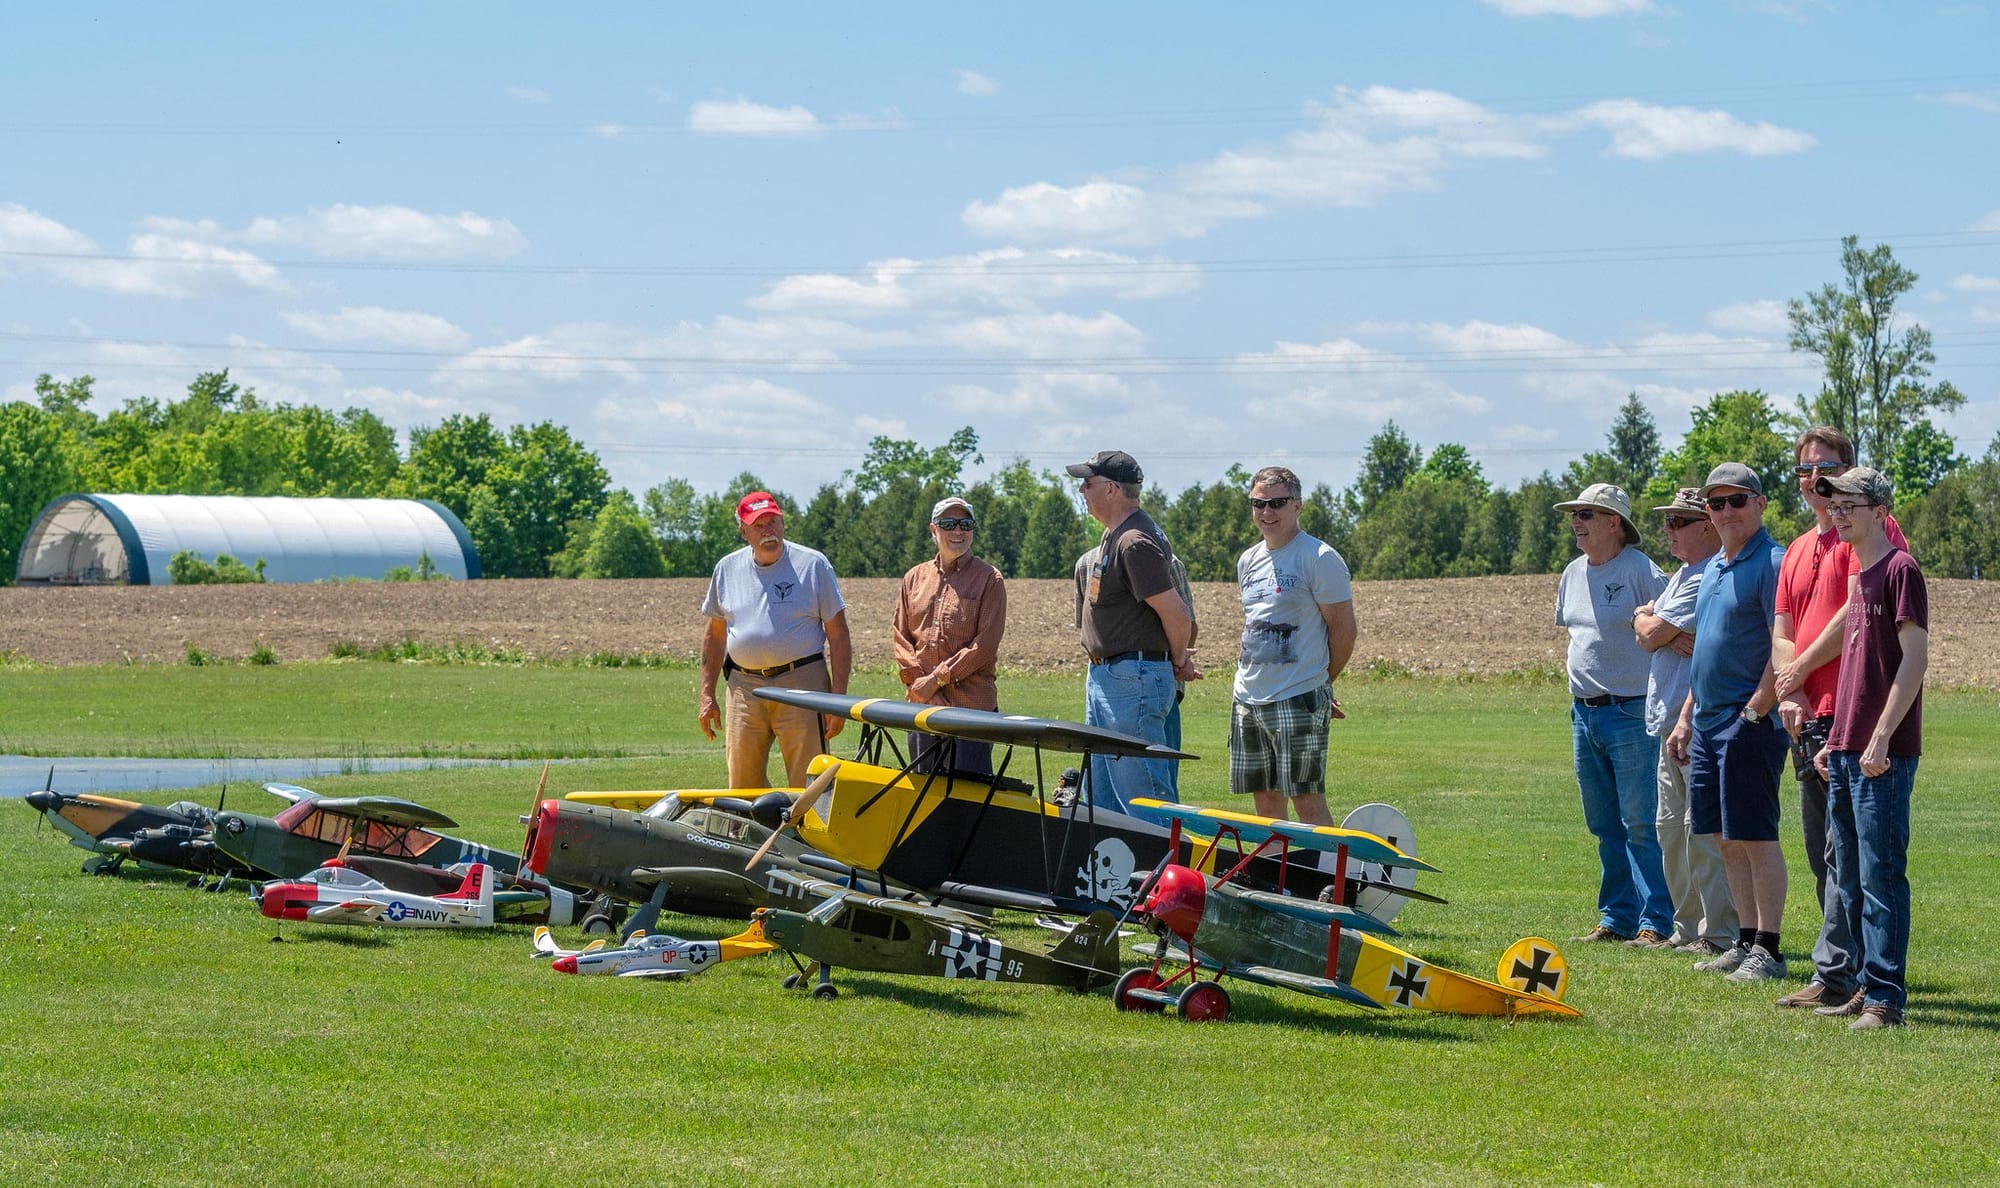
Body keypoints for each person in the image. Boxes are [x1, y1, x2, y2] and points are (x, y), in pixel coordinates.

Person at [1769, 426, 1909, 1010]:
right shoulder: (1801, 547)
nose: (1814, 481)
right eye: (1805, 471)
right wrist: (1790, 691)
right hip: (1812, 718)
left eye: (1825, 470)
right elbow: (1781, 626)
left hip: (1854, 715)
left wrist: (1797, 671)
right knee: (1825, 850)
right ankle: (1837, 971)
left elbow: (1859, 614)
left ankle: (1868, 981)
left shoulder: (1875, 536)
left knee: (1863, 860)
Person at [1806, 467, 1927, 1029]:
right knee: (1849, 877)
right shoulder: (1861, 577)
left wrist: (1879, 737)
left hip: (1883, 753)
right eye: (1834, 505)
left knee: (1880, 877)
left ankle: (1886, 999)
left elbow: (1914, 661)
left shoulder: (1900, 571)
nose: (1838, 513)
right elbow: (1854, 671)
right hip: (1849, 748)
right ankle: (1860, 984)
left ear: (1880, 511)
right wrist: (1838, 741)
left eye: (1850, 504)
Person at [1667, 462, 1790, 982]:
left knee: (1755, 837)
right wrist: (1686, 716)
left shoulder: (1772, 562)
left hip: (1749, 720)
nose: (1726, 512)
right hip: (1708, 720)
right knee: (1721, 836)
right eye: (1715, 504)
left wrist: (1756, 708)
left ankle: (1770, 948)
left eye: (1736, 501)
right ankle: (1743, 941)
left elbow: (1781, 643)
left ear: (1760, 504)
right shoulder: (1714, 567)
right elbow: (1706, 655)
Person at [1554, 482, 1672, 944]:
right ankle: (1615, 917)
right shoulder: (1572, 573)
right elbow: (1578, 636)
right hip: (1584, 715)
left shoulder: (1642, 570)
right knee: (1603, 824)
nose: (1576, 522)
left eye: (1587, 514)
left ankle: (1655, 921)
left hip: (1632, 712)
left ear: (1614, 523)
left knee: (1641, 822)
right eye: (1575, 514)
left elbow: (1675, 627)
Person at [1631, 489, 1738, 954]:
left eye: (1678, 521)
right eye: (1667, 521)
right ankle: (1687, 928)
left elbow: (1652, 632)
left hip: (1692, 719)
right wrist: (1648, 619)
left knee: (1701, 829)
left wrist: (1654, 627)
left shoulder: (1708, 575)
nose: (1667, 530)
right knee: (1669, 828)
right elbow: (1643, 624)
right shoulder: (1681, 575)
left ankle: (1719, 932)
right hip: (1665, 719)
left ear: (1707, 527)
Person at [1067, 449, 1199, 811]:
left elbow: (1177, 614)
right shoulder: (1120, 534)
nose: (1081, 490)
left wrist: (1178, 659)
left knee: (1144, 799)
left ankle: (1163, 867)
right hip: (1113, 676)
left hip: (1131, 680)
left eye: (1088, 483)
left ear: (1111, 489)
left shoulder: (1133, 540)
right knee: (1107, 801)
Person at [696, 490, 851, 789]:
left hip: (803, 683)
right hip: (743, 688)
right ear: (743, 531)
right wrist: (707, 694)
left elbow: (839, 634)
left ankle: (805, 837)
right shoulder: (726, 569)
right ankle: (755, 835)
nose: (768, 530)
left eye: (772, 521)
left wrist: (838, 698)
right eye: (758, 525)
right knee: (742, 784)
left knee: (808, 781)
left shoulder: (813, 565)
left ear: (783, 522)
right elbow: (715, 635)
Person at [1230, 466, 1356, 825]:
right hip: (1248, 698)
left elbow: (1344, 630)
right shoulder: (1248, 560)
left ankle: (1324, 877)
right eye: (1259, 504)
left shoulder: (1319, 558)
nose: (1267, 513)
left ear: (1297, 506)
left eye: (1277, 503)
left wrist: (1321, 682)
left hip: (1297, 695)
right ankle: (1276, 881)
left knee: (1306, 798)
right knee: (1266, 802)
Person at [892, 495, 1007, 776]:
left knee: (970, 802)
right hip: (921, 708)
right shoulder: (913, 578)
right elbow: (901, 635)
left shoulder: (990, 580)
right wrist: (919, 684)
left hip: (971, 712)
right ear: (934, 530)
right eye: (948, 523)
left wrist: (936, 680)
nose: (958, 531)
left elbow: (984, 646)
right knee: (922, 796)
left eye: (965, 524)